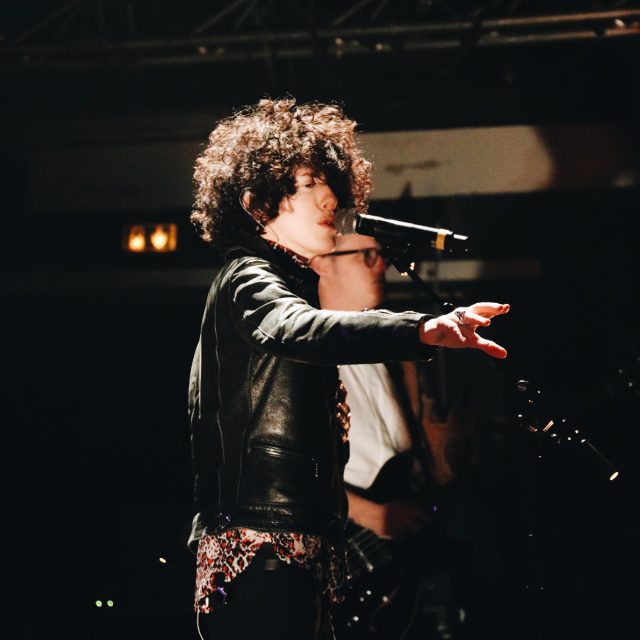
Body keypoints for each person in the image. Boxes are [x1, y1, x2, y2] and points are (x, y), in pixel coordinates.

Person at [187, 97, 510, 640]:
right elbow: (294, 328)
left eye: (330, 183)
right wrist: (421, 329)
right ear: (257, 203)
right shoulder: (248, 278)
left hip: (300, 545)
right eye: (308, 184)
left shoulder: (287, 283)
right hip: (265, 547)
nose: (330, 198)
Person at [312, 233, 517, 639]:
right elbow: (290, 472)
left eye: (380, 254)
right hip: (349, 544)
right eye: (367, 254)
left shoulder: (385, 347)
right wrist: (372, 515)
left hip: (396, 544)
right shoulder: (309, 350)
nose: (381, 264)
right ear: (322, 262)